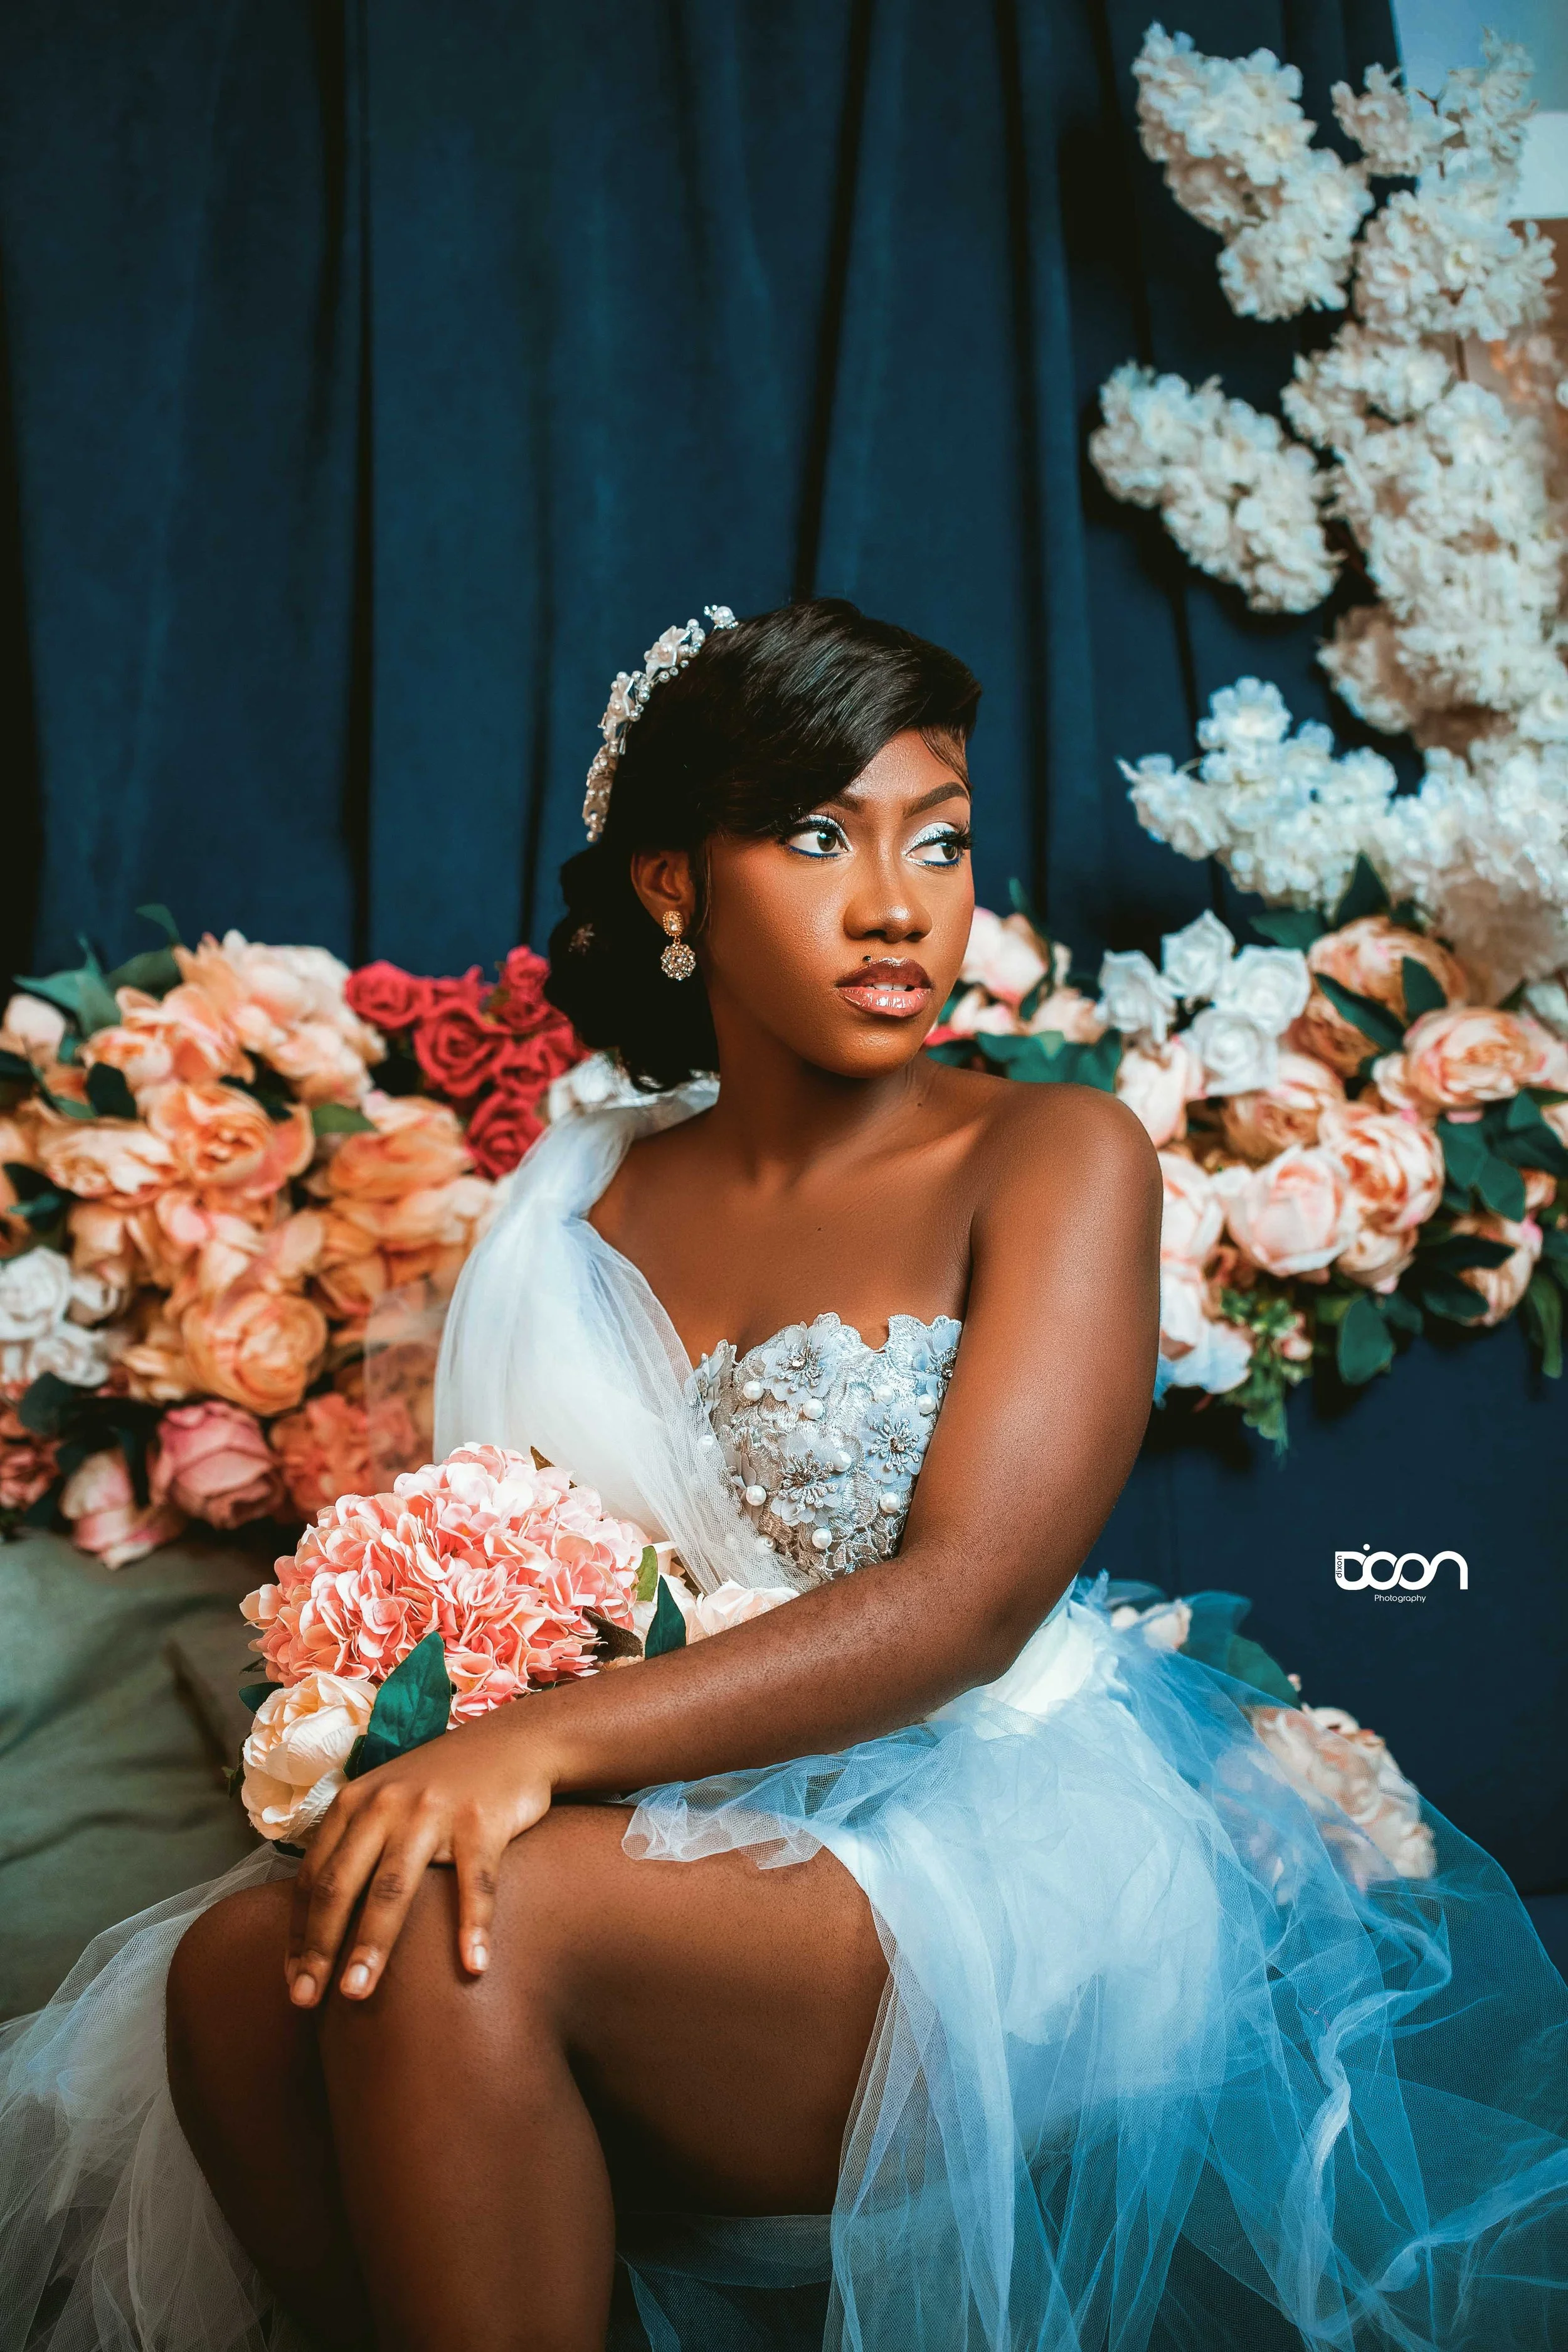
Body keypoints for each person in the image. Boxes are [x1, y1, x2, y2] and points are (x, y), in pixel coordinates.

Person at [2, 598, 1565, 2352]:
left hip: (984, 1834)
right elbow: (521, 1563)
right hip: (653, 1818)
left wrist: (529, 1745)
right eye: (820, 836)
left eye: (939, 840)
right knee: (236, 1977)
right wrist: (461, 1708)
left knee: (454, 1927)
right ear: (673, 883)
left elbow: (969, 1602)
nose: (900, 905)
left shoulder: (1054, 1153)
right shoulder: (564, 1198)